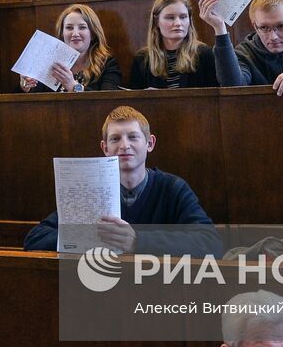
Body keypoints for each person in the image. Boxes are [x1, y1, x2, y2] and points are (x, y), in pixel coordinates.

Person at [23, 105, 221, 255]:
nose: (124, 145)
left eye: (133, 137)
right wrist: (89, 238)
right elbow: (35, 238)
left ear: (149, 143)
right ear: (105, 148)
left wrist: (138, 241)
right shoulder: (91, 191)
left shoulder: (173, 188)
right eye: (115, 139)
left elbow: (210, 243)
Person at [18, 4, 121, 92]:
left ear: (93, 33)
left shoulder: (108, 63)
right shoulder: (50, 60)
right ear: (62, 33)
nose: (75, 34)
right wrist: (25, 87)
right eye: (69, 28)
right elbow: (32, 98)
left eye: (82, 27)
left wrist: (73, 86)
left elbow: (108, 101)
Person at [128, 0, 217, 88]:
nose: (178, 23)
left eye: (183, 17)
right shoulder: (142, 58)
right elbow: (134, 100)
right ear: (156, 21)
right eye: (170, 18)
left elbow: (215, 97)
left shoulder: (203, 53)